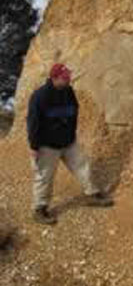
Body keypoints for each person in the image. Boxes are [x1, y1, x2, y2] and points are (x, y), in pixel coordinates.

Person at [27, 63, 113, 225]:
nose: (68, 80)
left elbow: (75, 110)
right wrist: (34, 146)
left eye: (68, 77)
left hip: (68, 142)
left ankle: (92, 194)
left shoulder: (68, 91)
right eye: (65, 78)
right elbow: (33, 123)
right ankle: (39, 209)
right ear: (54, 78)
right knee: (44, 177)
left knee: (83, 166)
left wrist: (71, 133)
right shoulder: (40, 96)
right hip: (47, 145)